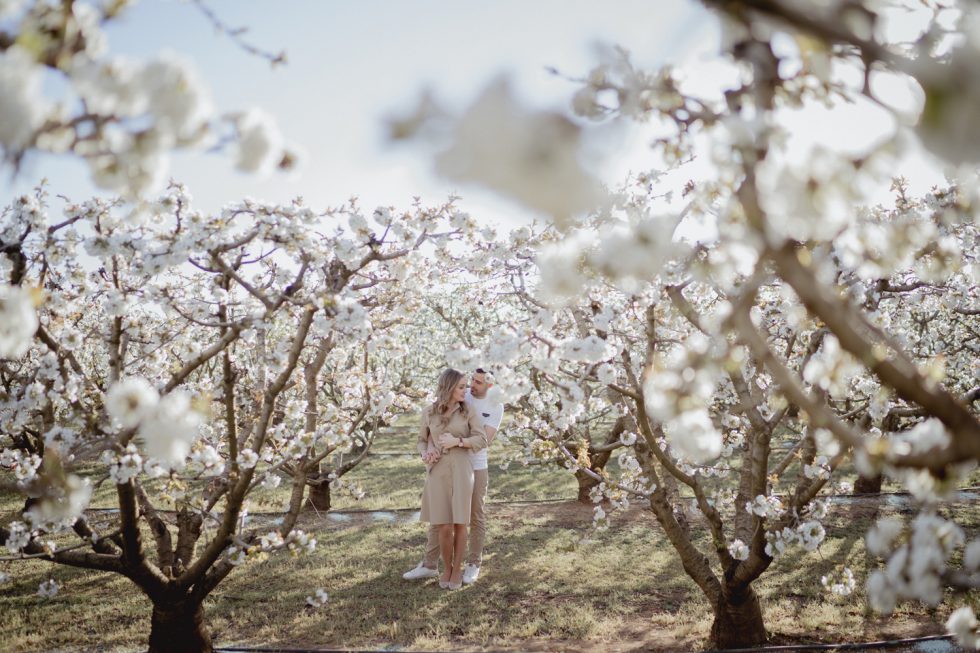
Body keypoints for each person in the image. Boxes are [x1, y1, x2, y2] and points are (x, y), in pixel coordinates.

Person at [405, 368, 504, 585]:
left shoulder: (493, 406)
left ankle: (473, 564)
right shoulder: (459, 396)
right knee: (440, 518)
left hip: (475, 466)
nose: (471, 387)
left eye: (478, 383)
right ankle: (430, 564)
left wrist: (457, 442)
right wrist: (428, 448)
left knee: (473, 515)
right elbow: (430, 432)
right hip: (443, 467)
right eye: (471, 382)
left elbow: (483, 440)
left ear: (490, 386)